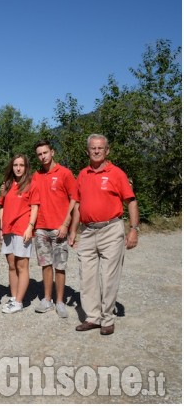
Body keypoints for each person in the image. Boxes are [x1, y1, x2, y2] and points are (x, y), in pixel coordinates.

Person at [69, 134, 139, 336]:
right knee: (87, 276)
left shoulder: (116, 173)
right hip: (88, 231)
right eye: (93, 148)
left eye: (100, 148)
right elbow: (77, 205)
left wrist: (134, 229)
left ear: (107, 150)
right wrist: (73, 231)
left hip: (111, 229)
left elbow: (131, 201)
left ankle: (107, 318)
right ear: (87, 151)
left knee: (109, 276)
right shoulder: (82, 174)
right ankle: (92, 317)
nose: (97, 151)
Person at [31, 140, 77, 318]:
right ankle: (47, 299)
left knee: (60, 266)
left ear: (52, 152)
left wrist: (66, 224)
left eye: (45, 152)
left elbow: (74, 199)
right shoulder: (36, 175)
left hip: (59, 229)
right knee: (46, 265)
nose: (43, 157)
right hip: (41, 228)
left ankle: (60, 301)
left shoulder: (64, 173)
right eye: (39, 154)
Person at [0, 154, 40, 314]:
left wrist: (30, 227)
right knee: (11, 265)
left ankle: (20, 301)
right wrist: (1, 228)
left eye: (21, 165)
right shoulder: (7, 185)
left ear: (26, 167)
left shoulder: (31, 184)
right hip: (7, 230)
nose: (18, 168)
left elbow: (35, 208)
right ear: (12, 166)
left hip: (22, 230)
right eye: (15, 165)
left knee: (22, 266)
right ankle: (14, 298)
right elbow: (1, 207)